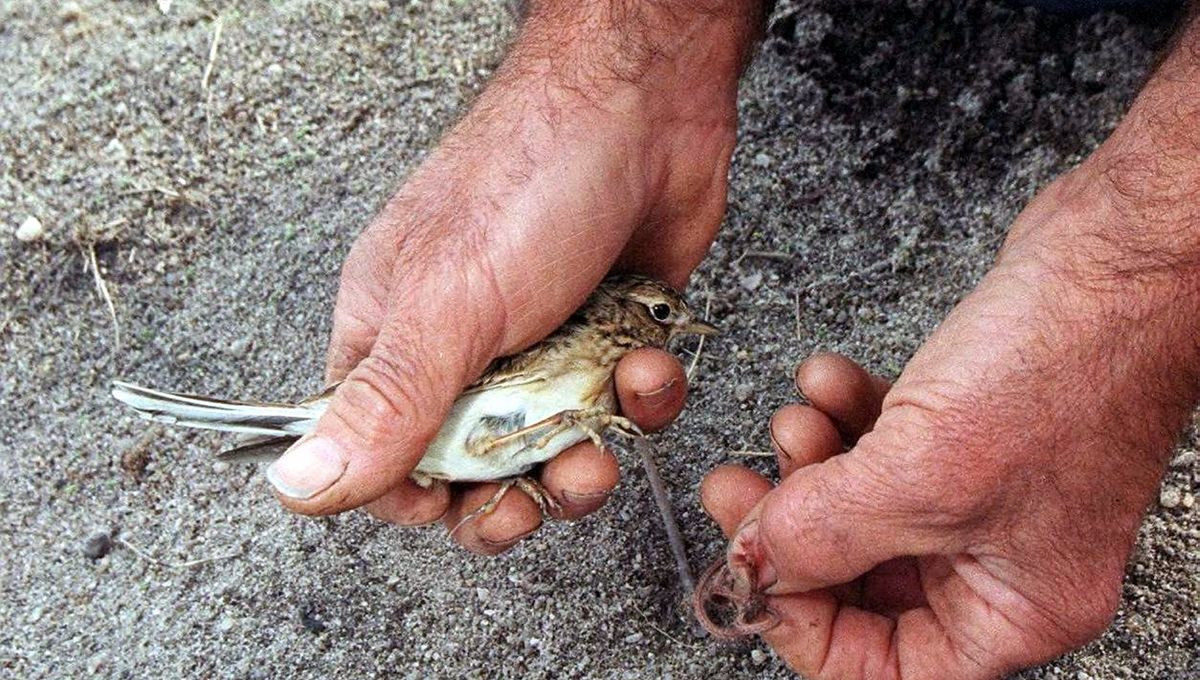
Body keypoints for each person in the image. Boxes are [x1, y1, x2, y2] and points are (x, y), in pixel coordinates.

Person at [259, 1, 1198, 677]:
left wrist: (1137, 285)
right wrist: (631, 53)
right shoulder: (591, 338)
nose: (681, 325)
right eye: (665, 316)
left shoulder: (612, 370)